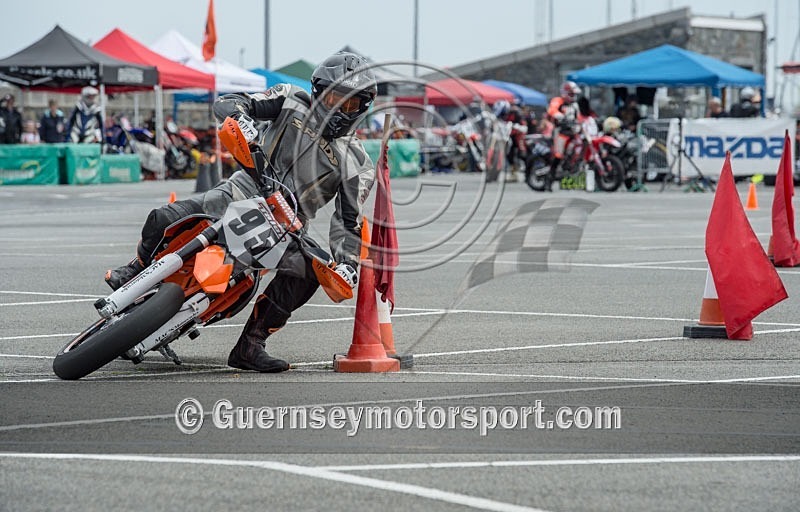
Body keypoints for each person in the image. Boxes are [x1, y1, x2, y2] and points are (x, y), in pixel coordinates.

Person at [104, 51, 377, 373]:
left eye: (350, 103)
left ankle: (251, 344)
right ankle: (136, 267)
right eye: (334, 97)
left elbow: (347, 221)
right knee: (164, 216)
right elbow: (233, 102)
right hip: (243, 187)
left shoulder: (359, 163)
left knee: (309, 273)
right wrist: (241, 115)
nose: (340, 108)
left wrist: (346, 265)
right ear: (318, 90)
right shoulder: (290, 99)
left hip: (289, 223)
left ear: (363, 107)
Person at [545, 81, 582, 191]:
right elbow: (552, 110)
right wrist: (561, 116)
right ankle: (549, 180)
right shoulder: (558, 101)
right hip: (560, 131)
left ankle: (570, 179)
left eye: (574, 94)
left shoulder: (575, 105)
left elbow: (579, 117)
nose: (573, 96)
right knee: (558, 155)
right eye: (571, 94)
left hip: (572, 132)